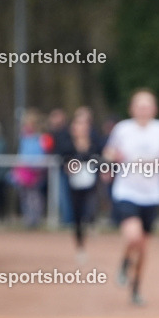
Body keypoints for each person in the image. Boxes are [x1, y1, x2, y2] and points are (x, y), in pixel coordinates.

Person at [104, 89, 159, 306]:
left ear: (154, 109)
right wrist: (110, 161)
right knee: (133, 237)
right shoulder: (123, 129)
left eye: (147, 106)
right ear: (132, 108)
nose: (143, 110)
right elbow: (109, 151)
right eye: (139, 106)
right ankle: (125, 263)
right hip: (126, 192)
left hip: (152, 195)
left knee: (143, 249)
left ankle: (136, 289)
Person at [65, 111, 101, 261]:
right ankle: (80, 246)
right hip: (75, 184)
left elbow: (101, 160)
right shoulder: (68, 145)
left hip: (91, 183)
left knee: (90, 208)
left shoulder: (94, 144)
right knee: (78, 216)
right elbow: (66, 164)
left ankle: (92, 223)